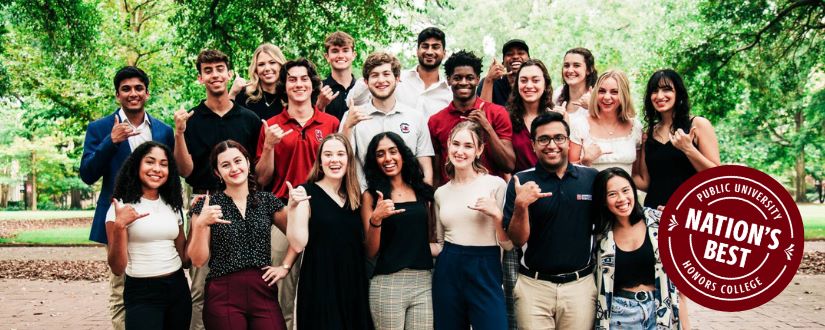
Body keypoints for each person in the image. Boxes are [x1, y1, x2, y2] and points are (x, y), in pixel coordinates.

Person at [173, 49, 263, 330]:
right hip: (205, 200)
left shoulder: (249, 119)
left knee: (248, 279)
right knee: (201, 284)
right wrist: (178, 132)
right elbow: (185, 170)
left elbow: (257, 168)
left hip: (244, 204)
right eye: (208, 70)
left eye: (219, 69)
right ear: (200, 78)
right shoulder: (191, 120)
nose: (215, 75)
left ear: (228, 73)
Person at [80, 66, 175, 330]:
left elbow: (169, 174)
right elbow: (87, 174)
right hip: (117, 217)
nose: (132, 93)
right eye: (126, 89)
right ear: (117, 95)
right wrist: (110, 141)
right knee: (120, 285)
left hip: (154, 216)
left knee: (155, 280)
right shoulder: (99, 128)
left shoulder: (163, 131)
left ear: (147, 93)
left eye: (138, 88)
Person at [254, 58, 339, 328]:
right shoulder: (271, 125)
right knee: (281, 291)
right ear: (284, 85)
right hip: (282, 215)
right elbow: (261, 179)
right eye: (292, 79)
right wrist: (268, 146)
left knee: (324, 289)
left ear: (313, 85)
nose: (299, 84)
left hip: (323, 214)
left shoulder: (330, 123)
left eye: (304, 79)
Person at [505, 112, 598, 330]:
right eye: (543, 139)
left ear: (568, 141)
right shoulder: (521, 181)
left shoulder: (591, 178)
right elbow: (517, 241)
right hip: (534, 287)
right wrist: (521, 206)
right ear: (533, 145)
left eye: (559, 138)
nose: (552, 145)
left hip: (580, 287)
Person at [188, 140, 294, 330]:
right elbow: (197, 260)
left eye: (238, 161)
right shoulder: (208, 205)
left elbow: (297, 236)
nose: (234, 168)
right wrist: (201, 225)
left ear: (248, 162)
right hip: (223, 292)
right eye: (225, 165)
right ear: (217, 172)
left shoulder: (267, 201)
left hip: (263, 290)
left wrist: (285, 266)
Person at [286, 134, 374, 329]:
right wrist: (292, 209)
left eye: (340, 154)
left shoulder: (355, 196)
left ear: (349, 160)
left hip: (353, 280)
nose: (334, 159)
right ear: (320, 161)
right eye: (328, 154)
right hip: (321, 280)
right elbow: (298, 243)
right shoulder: (305, 193)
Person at [430, 121, 512, 329]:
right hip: (449, 268)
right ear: (448, 145)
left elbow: (509, 245)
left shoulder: (495, 185)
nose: (460, 151)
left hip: (485, 266)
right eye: (456, 144)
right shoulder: (441, 193)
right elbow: (440, 244)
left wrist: (496, 216)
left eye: (468, 146)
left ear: (479, 150)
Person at [105, 141, 190, 330]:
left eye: (164, 164)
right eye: (150, 162)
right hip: (142, 291)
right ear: (137, 165)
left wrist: (198, 222)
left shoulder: (172, 205)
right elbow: (117, 268)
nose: (157, 169)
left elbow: (185, 259)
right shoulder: (120, 207)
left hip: (177, 288)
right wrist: (120, 225)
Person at [593, 167, 686, 329]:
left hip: (660, 312)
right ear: (603, 199)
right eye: (612, 194)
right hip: (619, 314)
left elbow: (680, 286)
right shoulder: (599, 236)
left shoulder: (658, 222)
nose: (622, 199)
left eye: (625, 190)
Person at [361, 132, 436, 329]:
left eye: (393, 151)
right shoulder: (371, 196)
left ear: (403, 154)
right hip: (388, 282)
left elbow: (429, 236)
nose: (388, 158)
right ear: (374, 161)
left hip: (423, 282)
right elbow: (370, 251)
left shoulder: (422, 191)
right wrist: (376, 219)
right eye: (380, 154)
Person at [340, 51, 434, 187]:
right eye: (374, 75)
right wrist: (347, 127)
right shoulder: (352, 117)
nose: (381, 80)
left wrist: (426, 200)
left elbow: (425, 166)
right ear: (366, 82)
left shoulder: (415, 117)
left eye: (386, 74)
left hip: (410, 197)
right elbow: (345, 160)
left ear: (397, 78)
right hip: (367, 199)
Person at [633, 69, 720, 209]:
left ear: (678, 93)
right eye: (654, 91)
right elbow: (645, 183)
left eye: (666, 89)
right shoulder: (648, 134)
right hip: (654, 215)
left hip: (691, 214)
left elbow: (717, 177)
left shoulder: (698, 125)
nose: (660, 96)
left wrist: (688, 149)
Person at [429, 50, 515, 185]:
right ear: (449, 80)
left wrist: (487, 127)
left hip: (489, 197)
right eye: (457, 78)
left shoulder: (497, 113)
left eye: (469, 78)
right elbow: (436, 173)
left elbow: (509, 165)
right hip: (452, 196)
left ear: (477, 79)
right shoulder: (436, 121)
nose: (463, 82)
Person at [347, 27, 451, 118]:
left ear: (444, 53)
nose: (429, 52)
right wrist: (372, 75)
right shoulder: (397, 79)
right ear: (417, 51)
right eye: (425, 46)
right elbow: (352, 102)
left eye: (435, 47)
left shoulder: (449, 92)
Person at [569, 70, 643, 173]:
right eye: (602, 91)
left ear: (624, 95)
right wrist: (585, 161)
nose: (607, 97)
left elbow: (636, 174)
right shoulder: (580, 124)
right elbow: (568, 173)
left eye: (614, 92)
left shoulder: (635, 127)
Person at [506, 59, 554, 173]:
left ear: (545, 83)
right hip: (520, 186)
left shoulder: (555, 117)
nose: (529, 85)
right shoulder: (506, 117)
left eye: (535, 80)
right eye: (523, 80)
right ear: (517, 84)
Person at [229, 43, 288, 120]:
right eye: (261, 64)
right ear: (255, 69)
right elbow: (225, 122)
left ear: (281, 65)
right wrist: (232, 93)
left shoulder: (289, 95)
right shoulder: (244, 94)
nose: (267, 68)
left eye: (272, 62)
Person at [316, 31, 357, 120]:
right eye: (335, 51)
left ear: (353, 55)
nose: (340, 55)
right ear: (327, 57)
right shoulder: (318, 89)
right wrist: (319, 105)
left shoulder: (363, 88)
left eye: (345, 50)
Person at [478, 39, 530, 106]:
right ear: (503, 63)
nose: (515, 57)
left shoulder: (536, 83)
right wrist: (489, 80)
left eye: (520, 53)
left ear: (529, 59)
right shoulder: (490, 82)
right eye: (509, 54)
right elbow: (481, 113)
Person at [552, 48, 598, 121]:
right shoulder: (556, 95)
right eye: (566, 65)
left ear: (589, 70)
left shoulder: (598, 97)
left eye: (576, 65)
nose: (570, 70)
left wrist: (593, 108)